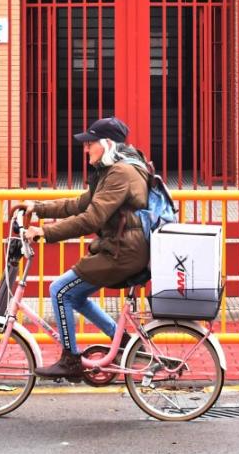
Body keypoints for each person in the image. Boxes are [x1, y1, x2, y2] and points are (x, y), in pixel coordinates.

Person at [21, 116, 149, 381]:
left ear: (106, 144)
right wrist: (38, 208)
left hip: (124, 251)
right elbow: (80, 204)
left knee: (59, 291)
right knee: (75, 296)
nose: (85, 149)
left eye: (90, 143)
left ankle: (70, 360)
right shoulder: (112, 170)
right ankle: (122, 342)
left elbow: (92, 218)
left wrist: (44, 232)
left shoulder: (120, 173)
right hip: (120, 247)